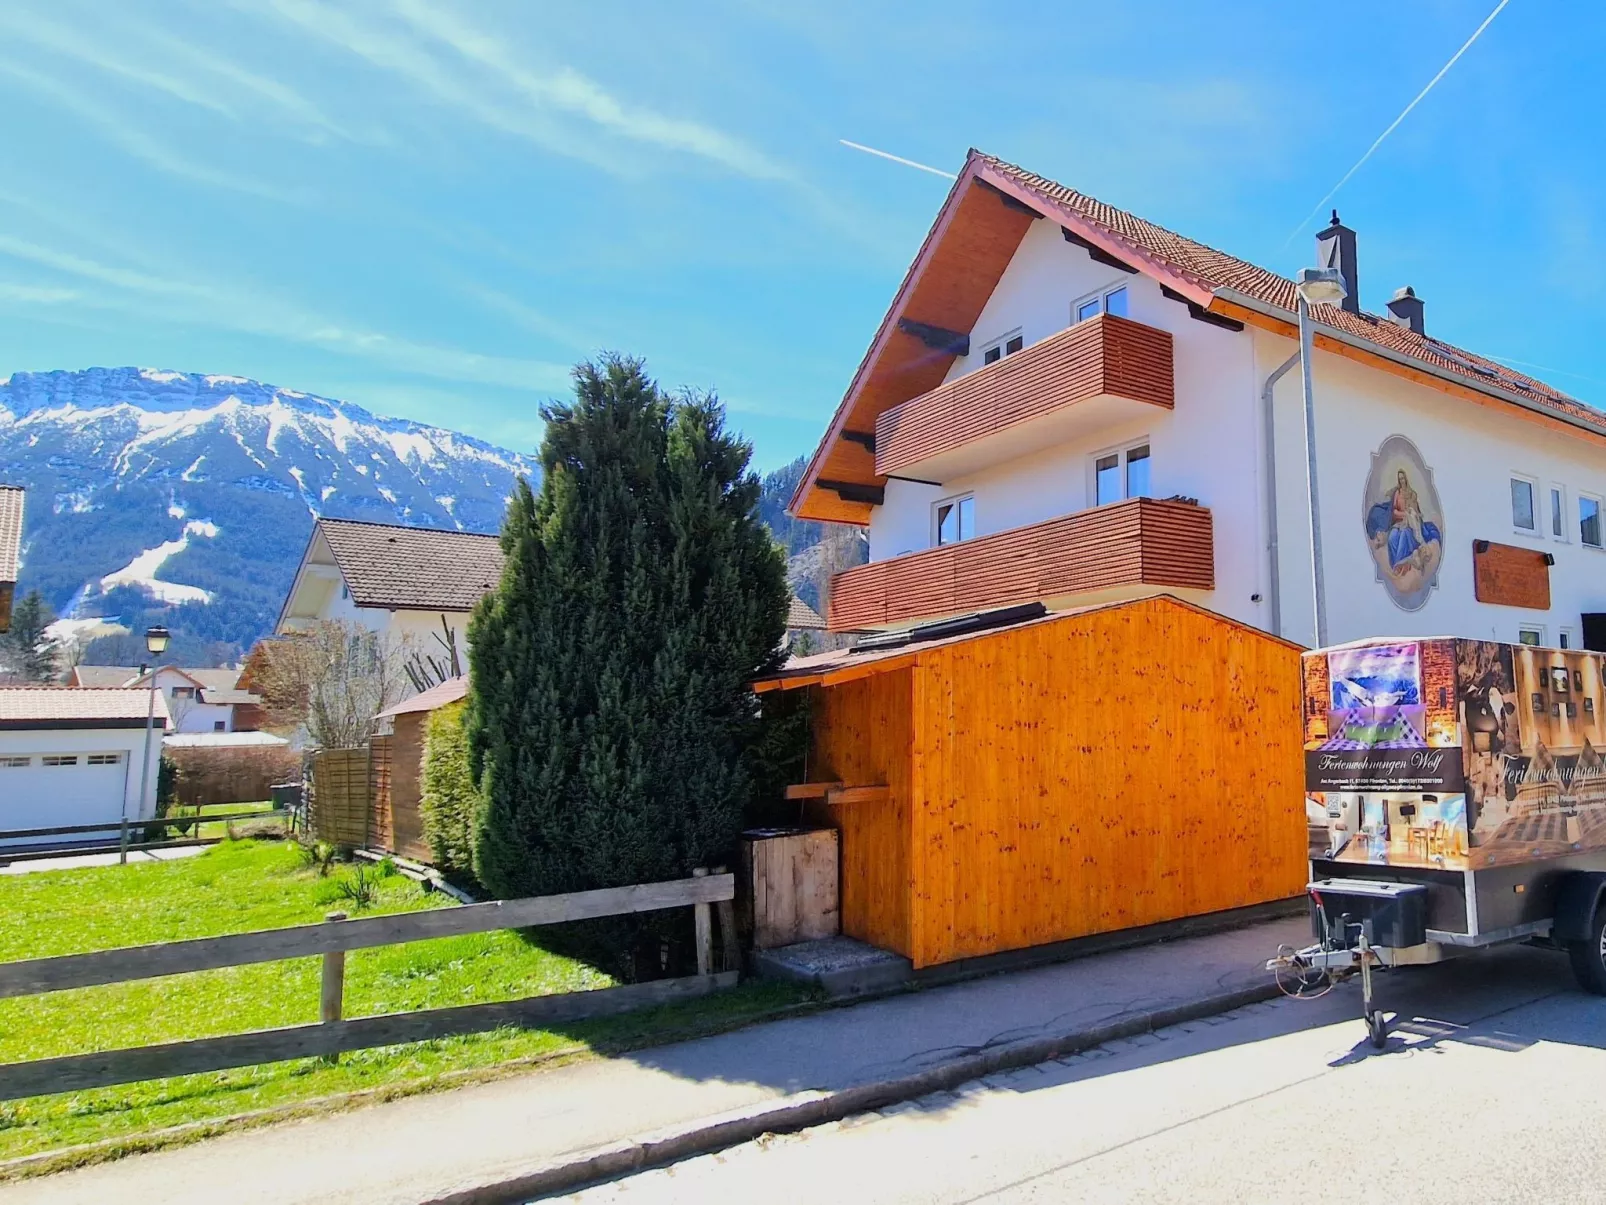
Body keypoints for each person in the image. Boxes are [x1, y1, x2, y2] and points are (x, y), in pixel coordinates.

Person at [1366, 468, 1441, 574]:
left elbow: (1417, 512)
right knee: (1392, 537)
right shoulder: (1397, 493)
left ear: (1406, 479)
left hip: (1410, 524)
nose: (1401, 481)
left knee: (1404, 535)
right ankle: (1394, 565)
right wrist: (1403, 514)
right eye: (1399, 479)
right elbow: (1394, 511)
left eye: (1403, 478)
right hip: (1399, 523)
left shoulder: (1412, 494)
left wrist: (1412, 514)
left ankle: (1400, 565)